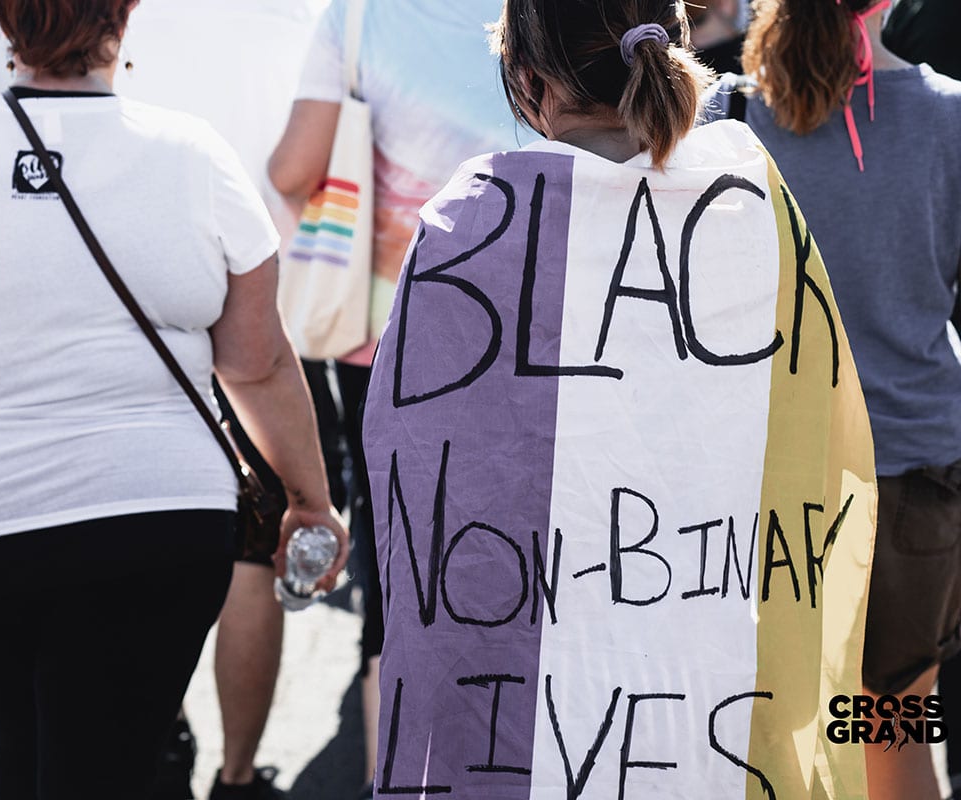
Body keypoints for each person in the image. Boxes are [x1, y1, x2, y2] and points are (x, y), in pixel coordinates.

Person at [0, 1, 348, 797]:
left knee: (21, 744)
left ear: (0, 17)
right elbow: (259, 365)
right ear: (126, 15)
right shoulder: (193, 153)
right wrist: (310, 499)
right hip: (153, 526)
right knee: (99, 759)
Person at [361, 0, 877, 798]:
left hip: (530, 663)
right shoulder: (753, 208)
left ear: (527, 82)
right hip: (702, 664)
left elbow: (419, 453)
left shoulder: (470, 223)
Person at [268, 4, 530, 795]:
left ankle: (396, 760)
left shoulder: (358, 16)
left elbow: (291, 170)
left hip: (383, 330)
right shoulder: (536, 16)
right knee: (498, 542)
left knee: (393, 545)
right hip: (514, 331)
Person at [703, 1, 961, 796]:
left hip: (772, 480)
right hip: (915, 473)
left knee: (775, 742)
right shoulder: (950, 117)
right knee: (894, 733)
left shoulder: (730, 115)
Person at [114, 5, 328, 797]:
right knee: (254, 540)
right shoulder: (315, 11)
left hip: (138, 293)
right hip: (276, 298)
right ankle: (238, 775)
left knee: (144, 532)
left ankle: (159, 734)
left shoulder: (128, 13)